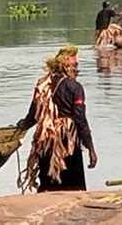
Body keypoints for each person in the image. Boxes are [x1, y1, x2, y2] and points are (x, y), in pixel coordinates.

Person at [17, 45, 98, 192]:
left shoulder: (43, 86)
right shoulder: (75, 87)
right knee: (73, 187)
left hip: (46, 140)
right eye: (76, 65)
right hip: (67, 141)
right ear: (67, 68)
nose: (78, 70)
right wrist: (91, 148)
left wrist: (21, 126)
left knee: (48, 185)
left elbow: (32, 117)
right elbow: (80, 120)